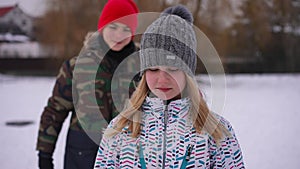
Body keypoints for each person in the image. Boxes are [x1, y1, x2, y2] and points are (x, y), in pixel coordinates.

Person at [94, 5, 245, 169]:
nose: (162, 79)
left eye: (173, 69)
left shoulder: (217, 131)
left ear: (188, 73)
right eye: (153, 69)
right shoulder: (119, 129)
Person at [36, 0, 139, 168]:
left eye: (126, 29)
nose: (119, 35)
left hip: (129, 157)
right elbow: (55, 110)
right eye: (113, 27)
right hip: (82, 157)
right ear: (103, 26)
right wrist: (45, 153)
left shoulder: (145, 68)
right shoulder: (76, 67)